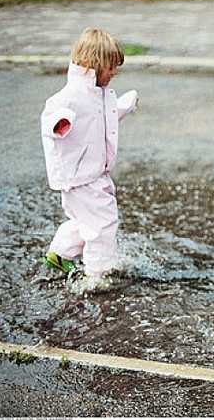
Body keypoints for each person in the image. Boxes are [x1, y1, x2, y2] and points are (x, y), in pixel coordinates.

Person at [40, 28, 138, 286]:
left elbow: (102, 120)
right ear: (94, 65)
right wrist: (59, 124)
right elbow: (51, 116)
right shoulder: (70, 97)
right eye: (110, 68)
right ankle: (97, 273)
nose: (114, 73)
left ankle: (60, 254)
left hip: (92, 173)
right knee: (103, 222)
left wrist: (125, 106)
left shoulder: (97, 93)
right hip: (81, 175)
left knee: (85, 220)